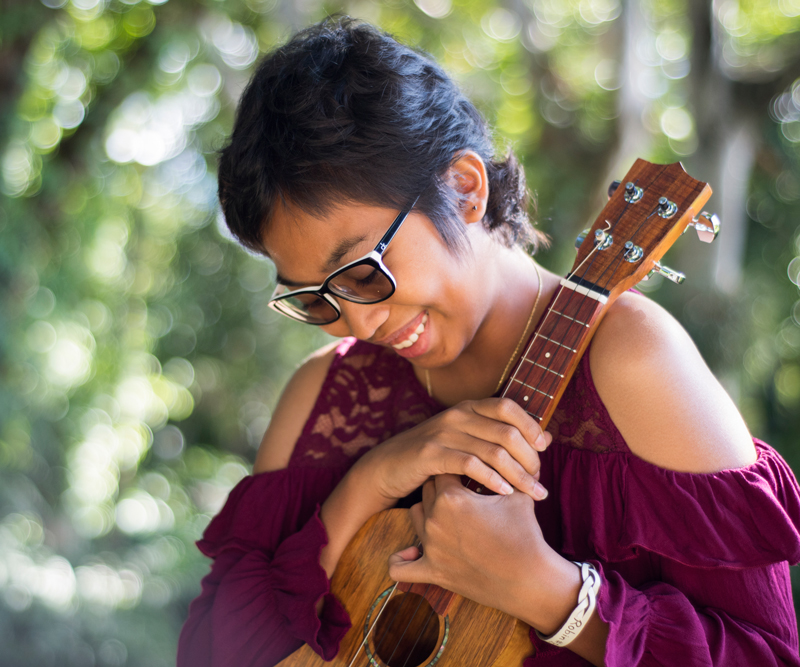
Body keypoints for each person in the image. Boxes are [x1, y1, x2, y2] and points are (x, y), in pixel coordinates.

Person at [177, 16, 800, 667]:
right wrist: (373, 477)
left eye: (363, 271)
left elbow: (766, 655)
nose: (357, 325)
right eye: (316, 298)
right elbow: (217, 653)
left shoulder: (631, 358)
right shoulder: (327, 392)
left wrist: (550, 592)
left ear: (465, 189)